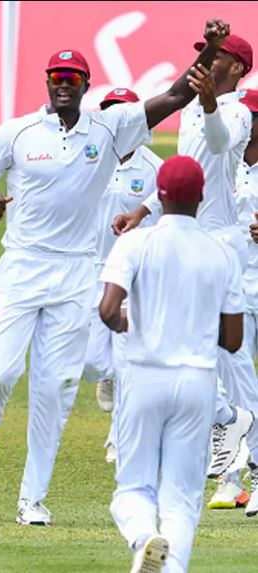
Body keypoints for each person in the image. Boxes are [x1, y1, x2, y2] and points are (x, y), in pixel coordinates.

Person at [0, 19, 231, 526]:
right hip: (21, 267)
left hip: (75, 276)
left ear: (85, 86)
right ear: (47, 82)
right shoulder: (18, 132)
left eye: (73, 78)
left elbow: (177, 93)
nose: (63, 84)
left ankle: (32, 499)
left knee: (54, 391)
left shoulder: (109, 128)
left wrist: (210, 46)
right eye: (57, 77)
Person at [112, 34, 257, 493]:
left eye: (219, 57)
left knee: (231, 359)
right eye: (208, 54)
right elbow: (185, 172)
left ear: (236, 69)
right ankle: (231, 459)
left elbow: (218, 147)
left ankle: (247, 456)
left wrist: (211, 105)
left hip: (221, 243)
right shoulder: (194, 107)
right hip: (191, 237)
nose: (209, 61)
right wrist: (144, 210)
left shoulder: (233, 111)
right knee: (196, 346)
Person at [99, 154, 244, 573]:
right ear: (201, 196)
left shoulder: (135, 243)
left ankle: (145, 538)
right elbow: (233, 341)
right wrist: (195, 323)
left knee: (132, 488)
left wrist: (134, 322)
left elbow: (108, 310)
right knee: (182, 496)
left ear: (159, 197)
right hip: (198, 381)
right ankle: (171, 568)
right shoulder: (219, 253)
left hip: (145, 375)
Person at [81, 88, 162, 464]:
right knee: (93, 362)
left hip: (136, 277)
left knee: (130, 362)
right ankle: (108, 378)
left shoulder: (155, 168)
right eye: (110, 112)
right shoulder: (89, 158)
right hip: (88, 269)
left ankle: (119, 438)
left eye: (123, 112)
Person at [227, 87, 258, 516]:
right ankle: (236, 475)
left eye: (250, 116)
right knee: (238, 386)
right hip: (234, 288)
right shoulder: (224, 164)